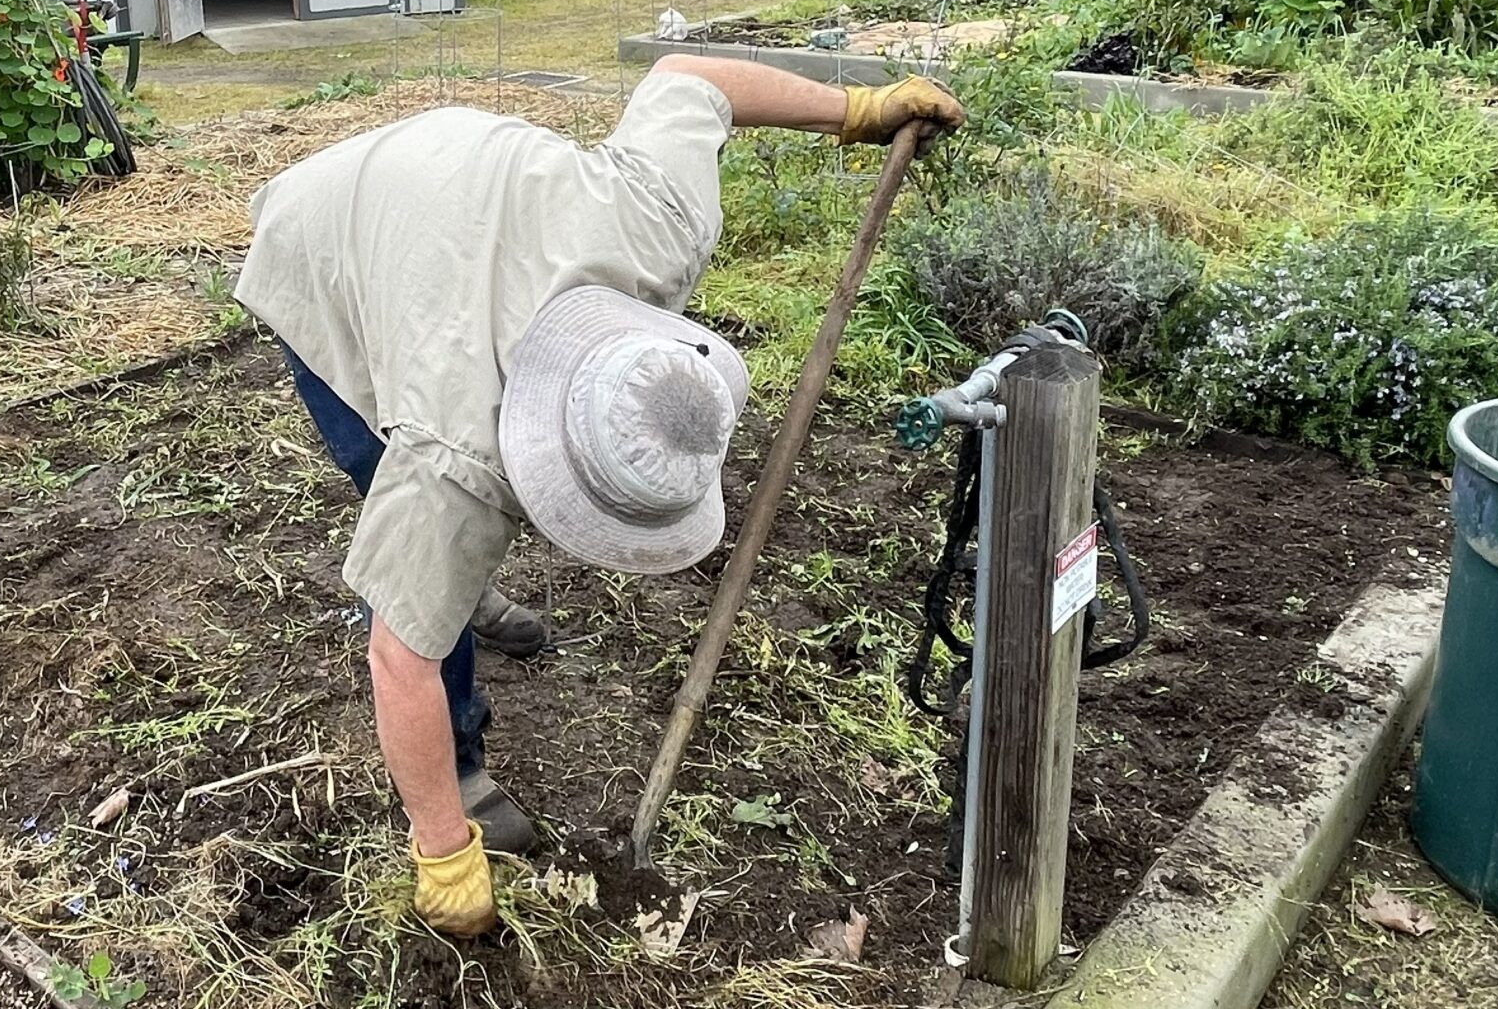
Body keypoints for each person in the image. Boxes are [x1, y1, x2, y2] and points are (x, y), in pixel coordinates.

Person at [234, 57, 965, 937]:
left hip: (458, 189)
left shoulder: (658, 224)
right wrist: (443, 850)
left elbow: (693, 78)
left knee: (439, 550)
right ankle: (461, 760)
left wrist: (855, 107)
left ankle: (458, 588)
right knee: (403, 541)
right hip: (325, 233)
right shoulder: (456, 450)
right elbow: (397, 660)